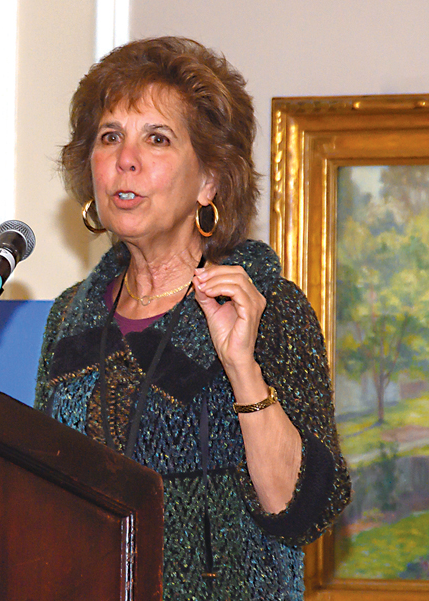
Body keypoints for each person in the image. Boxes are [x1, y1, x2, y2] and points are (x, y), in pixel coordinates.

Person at [34, 37, 351, 600]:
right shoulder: (71, 318)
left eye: (156, 139)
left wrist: (242, 367)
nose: (125, 159)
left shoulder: (267, 307)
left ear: (209, 181)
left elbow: (302, 510)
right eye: (110, 137)